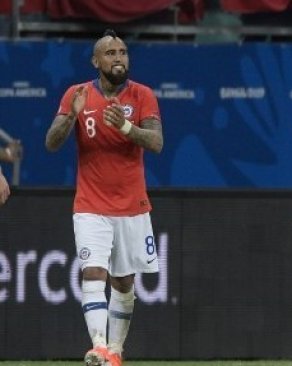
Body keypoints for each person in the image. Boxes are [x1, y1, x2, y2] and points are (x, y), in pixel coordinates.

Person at [44, 29, 163, 366]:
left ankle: (116, 351)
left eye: (123, 52)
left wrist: (126, 128)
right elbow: (51, 143)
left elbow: (156, 143)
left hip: (131, 206)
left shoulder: (142, 96)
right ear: (96, 61)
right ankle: (98, 346)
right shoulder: (77, 94)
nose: (118, 58)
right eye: (110, 53)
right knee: (93, 273)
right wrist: (72, 115)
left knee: (124, 283)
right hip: (90, 205)